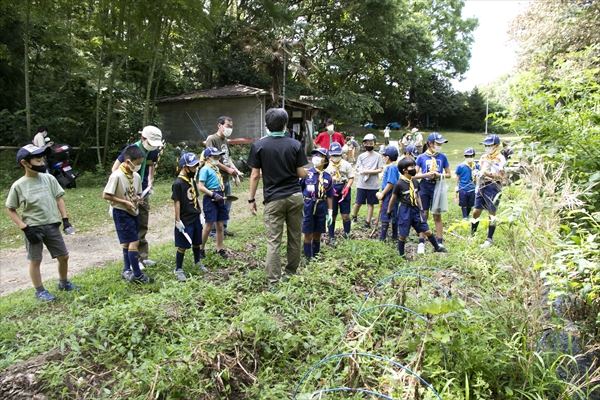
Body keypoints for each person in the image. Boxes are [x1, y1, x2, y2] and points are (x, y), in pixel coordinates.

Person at [5, 144, 78, 301]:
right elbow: (10, 209)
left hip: (52, 225)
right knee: (35, 260)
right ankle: (40, 291)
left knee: (64, 256)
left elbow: (59, 198)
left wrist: (65, 220)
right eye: (38, 160)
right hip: (33, 229)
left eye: (43, 159)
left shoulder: (49, 179)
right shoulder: (18, 185)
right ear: (25, 163)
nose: (43, 163)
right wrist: (25, 228)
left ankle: (63, 283)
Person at [247, 108, 308, 285]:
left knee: (273, 241)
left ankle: (274, 281)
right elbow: (302, 173)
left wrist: (251, 199)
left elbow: (255, 175)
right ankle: (291, 273)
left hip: (273, 199)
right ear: (285, 124)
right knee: (295, 236)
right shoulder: (295, 145)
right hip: (295, 196)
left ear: (266, 125)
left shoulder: (259, 146)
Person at [112, 125, 163, 270]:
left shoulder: (153, 151)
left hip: (143, 191)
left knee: (142, 223)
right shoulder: (132, 150)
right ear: (143, 138)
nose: (153, 147)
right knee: (131, 225)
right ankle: (133, 261)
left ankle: (143, 257)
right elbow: (115, 169)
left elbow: (151, 165)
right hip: (129, 193)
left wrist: (150, 179)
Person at [103, 145, 153, 283]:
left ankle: (126, 270)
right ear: (128, 161)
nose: (138, 166)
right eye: (136, 164)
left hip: (133, 211)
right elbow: (106, 195)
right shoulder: (117, 175)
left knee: (127, 243)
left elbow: (136, 193)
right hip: (121, 212)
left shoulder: (136, 176)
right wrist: (124, 202)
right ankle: (137, 275)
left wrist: (138, 199)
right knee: (134, 242)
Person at [387, 158, 447, 259]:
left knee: (426, 230)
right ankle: (401, 255)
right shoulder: (399, 184)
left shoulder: (415, 181)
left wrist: (421, 208)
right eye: (412, 167)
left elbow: (417, 195)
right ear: (404, 170)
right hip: (405, 211)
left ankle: (437, 247)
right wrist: (389, 210)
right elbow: (393, 198)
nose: (414, 168)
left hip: (416, 210)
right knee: (403, 234)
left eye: (414, 166)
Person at [204, 116, 243, 237]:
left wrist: (236, 171)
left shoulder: (225, 140)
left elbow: (228, 158)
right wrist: (229, 170)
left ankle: (223, 228)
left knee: (227, 205)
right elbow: (212, 160)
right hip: (215, 179)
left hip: (226, 178)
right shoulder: (212, 139)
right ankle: (213, 231)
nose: (229, 129)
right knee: (216, 204)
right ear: (219, 125)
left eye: (231, 126)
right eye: (227, 126)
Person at [172, 152, 207, 282]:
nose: (195, 169)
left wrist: (200, 213)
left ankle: (197, 261)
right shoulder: (178, 183)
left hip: (195, 216)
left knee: (197, 242)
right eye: (192, 167)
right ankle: (178, 268)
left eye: (196, 166)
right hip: (185, 219)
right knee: (183, 245)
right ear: (184, 167)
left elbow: (196, 197)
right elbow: (177, 202)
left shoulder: (191, 180)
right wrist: (177, 220)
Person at [414, 132, 451, 254]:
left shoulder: (442, 157)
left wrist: (438, 175)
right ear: (430, 144)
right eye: (438, 143)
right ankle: (421, 242)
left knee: (437, 214)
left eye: (441, 144)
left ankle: (439, 241)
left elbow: (449, 174)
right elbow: (414, 175)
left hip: (438, 187)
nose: (440, 145)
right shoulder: (421, 157)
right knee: (423, 214)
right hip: (424, 187)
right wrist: (426, 175)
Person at [471, 134, 507, 248]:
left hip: (494, 187)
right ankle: (472, 235)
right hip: (482, 186)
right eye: (485, 145)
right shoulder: (483, 157)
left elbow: (501, 177)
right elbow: (477, 169)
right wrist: (475, 174)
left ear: (496, 146)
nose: (487, 147)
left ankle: (489, 239)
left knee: (492, 212)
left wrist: (486, 174)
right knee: (476, 211)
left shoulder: (500, 158)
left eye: (489, 145)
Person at [301, 148, 334, 259]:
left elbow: (329, 195)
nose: (316, 157)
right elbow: (300, 189)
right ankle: (307, 258)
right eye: (315, 155)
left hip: (321, 205)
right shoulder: (307, 173)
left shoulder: (328, 177)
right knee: (308, 232)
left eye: (320, 156)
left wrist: (330, 211)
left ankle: (315, 256)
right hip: (308, 204)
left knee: (318, 232)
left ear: (325, 160)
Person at [197, 147, 229, 260]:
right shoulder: (205, 169)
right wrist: (212, 194)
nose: (218, 158)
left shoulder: (215, 168)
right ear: (208, 158)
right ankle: (201, 248)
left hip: (220, 195)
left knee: (220, 224)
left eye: (218, 156)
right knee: (209, 224)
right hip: (210, 197)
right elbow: (200, 186)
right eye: (215, 156)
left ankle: (219, 248)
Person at [351, 133, 384, 228]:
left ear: (374, 144)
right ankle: (354, 216)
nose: (369, 145)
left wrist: (369, 171)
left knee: (371, 203)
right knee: (358, 202)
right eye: (367, 143)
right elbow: (357, 168)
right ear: (364, 144)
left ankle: (367, 221)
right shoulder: (361, 156)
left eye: (371, 143)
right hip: (362, 184)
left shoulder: (378, 156)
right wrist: (363, 171)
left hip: (373, 185)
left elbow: (380, 169)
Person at [325, 142, 354, 243]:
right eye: (333, 155)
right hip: (331, 190)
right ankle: (331, 236)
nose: (335, 157)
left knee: (345, 215)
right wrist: (328, 187)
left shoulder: (346, 164)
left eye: (337, 155)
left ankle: (347, 233)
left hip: (344, 188)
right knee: (331, 214)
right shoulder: (326, 166)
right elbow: (323, 179)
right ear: (330, 154)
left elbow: (351, 177)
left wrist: (347, 187)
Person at [376, 146, 400, 241]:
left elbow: (391, 183)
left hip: (390, 195)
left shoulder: (391, 168)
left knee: (386, 213)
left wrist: (382, 193)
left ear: (387, 157)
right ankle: (394, 236)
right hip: (392, 194)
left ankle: (383, 237)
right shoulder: (393, 167)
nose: (382, 158)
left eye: (383, 156)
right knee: (393, 213)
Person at [455, 148, 479, 220]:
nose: (469, 158)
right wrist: (456, 186)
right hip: (463, 188)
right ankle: (465, 217)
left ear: (473, 156)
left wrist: (477, 186)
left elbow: (478, 176)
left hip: (472, 188)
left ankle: (467, 215)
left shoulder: (476, 166)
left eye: (471, 156)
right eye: (467, 156)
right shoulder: (461, 166)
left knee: (470, 204)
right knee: (463, 204)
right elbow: (457, 176)